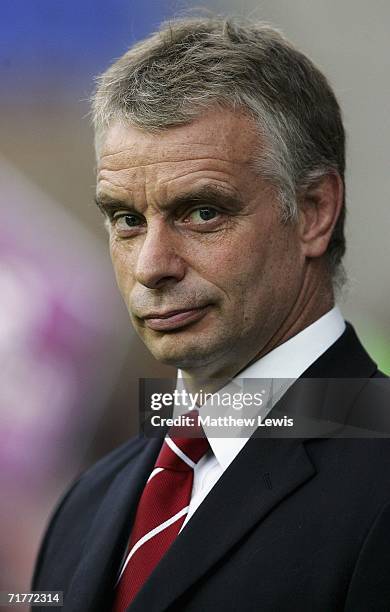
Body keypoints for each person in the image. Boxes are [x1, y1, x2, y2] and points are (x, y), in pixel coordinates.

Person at [32, 16, 390, 612]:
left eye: (202, 213)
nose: (152, 265)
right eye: (126, 219)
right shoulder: (86, 501)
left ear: (314, 212)